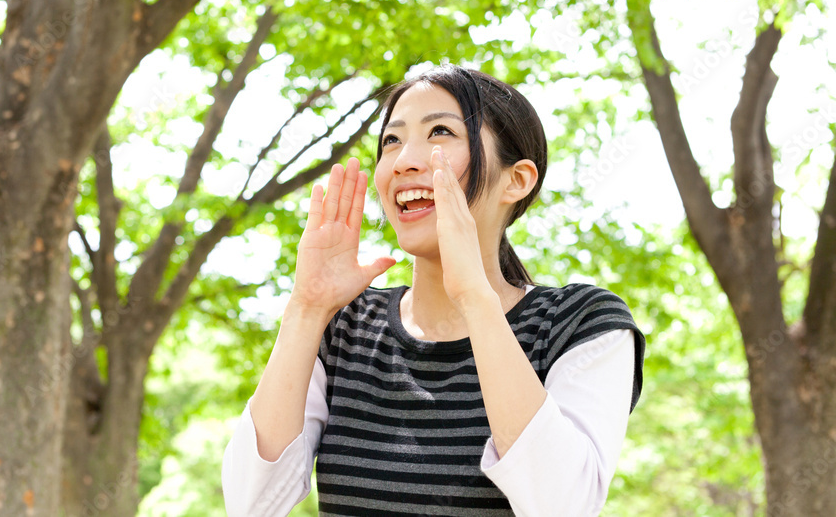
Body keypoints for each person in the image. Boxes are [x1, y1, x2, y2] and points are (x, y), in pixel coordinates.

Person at [221, 63, 645, 516]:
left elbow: (563, 506)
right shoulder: (345, 326)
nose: (404, 161)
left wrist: (475, 299)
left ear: (516, 180)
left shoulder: (578, 323)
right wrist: (307, 309)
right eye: (392, 140)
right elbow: (252, 504)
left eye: (440, 132)